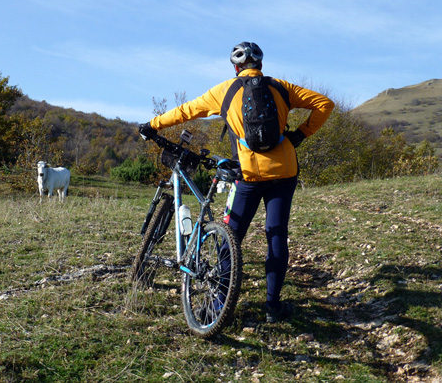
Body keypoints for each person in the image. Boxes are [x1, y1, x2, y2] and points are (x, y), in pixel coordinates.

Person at [139, 42, 334, 323]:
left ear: (235, 67)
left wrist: (153, 124)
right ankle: (273, 307)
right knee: (276, 234)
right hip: (285, 171)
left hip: (250, 174)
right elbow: (324, 104)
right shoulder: (281, 87)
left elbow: (186, 110)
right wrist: (301, 134)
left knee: (230, 236)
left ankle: (218, 305)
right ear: (261, 66)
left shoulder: (225, 90)